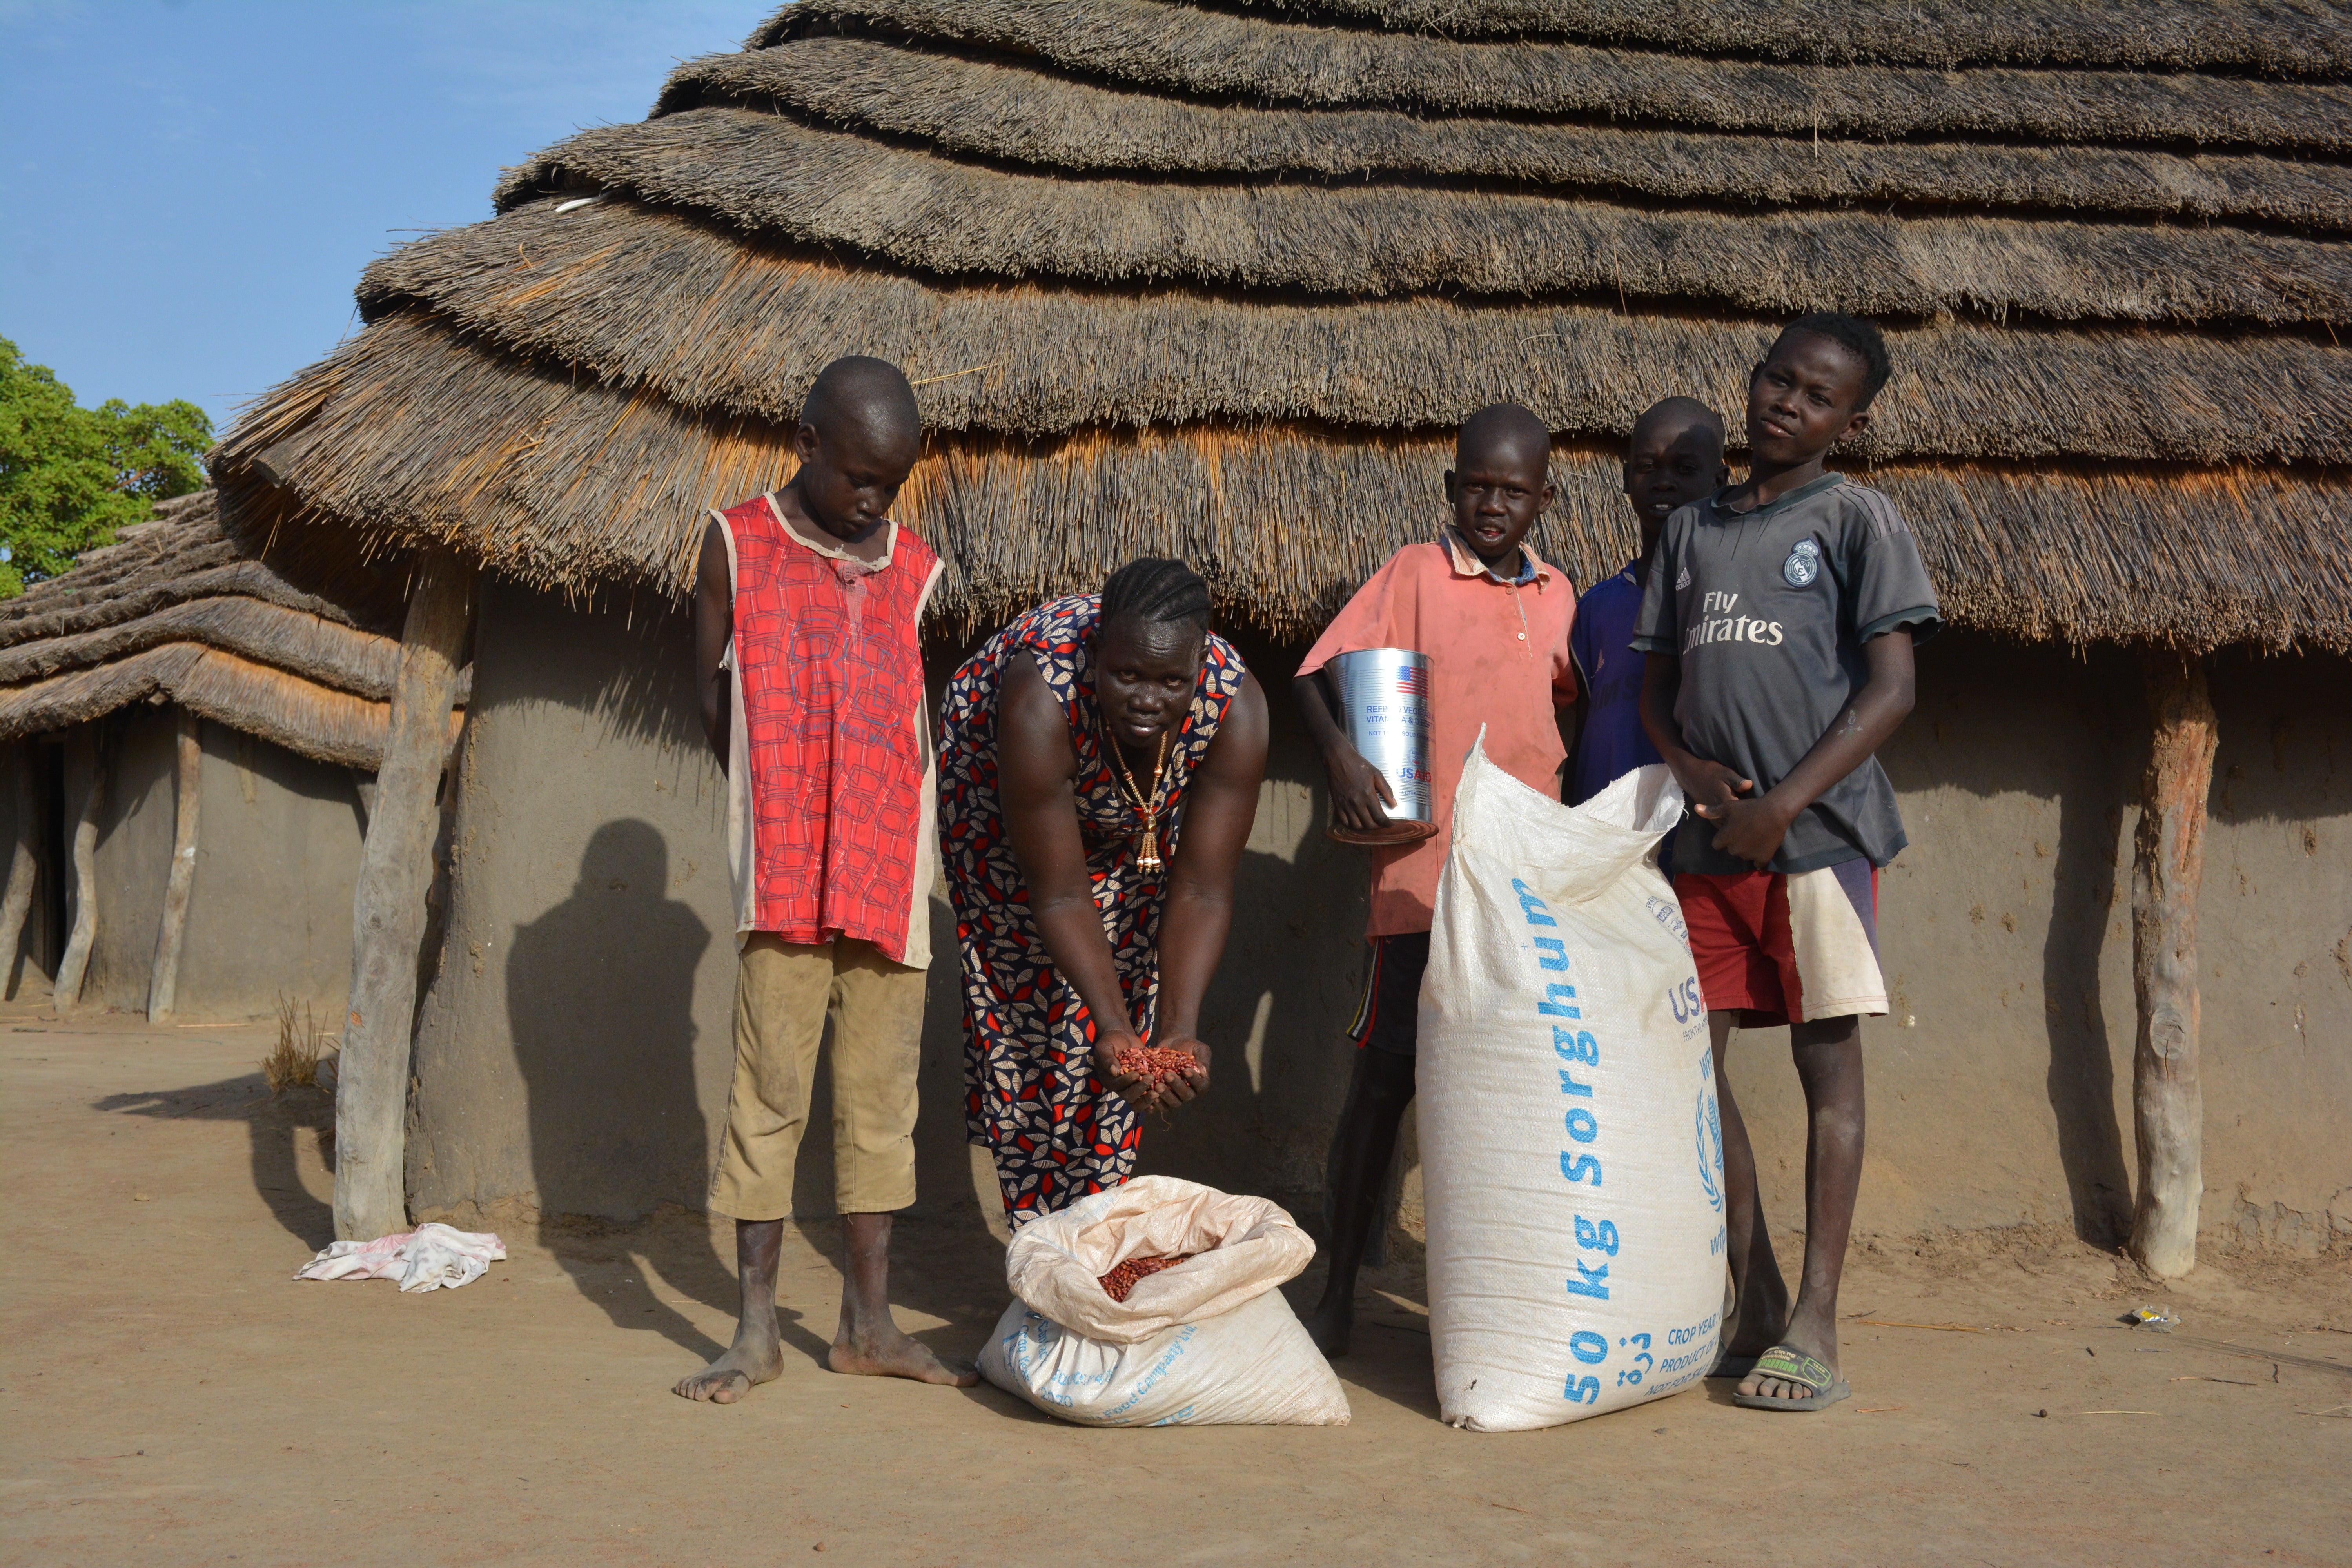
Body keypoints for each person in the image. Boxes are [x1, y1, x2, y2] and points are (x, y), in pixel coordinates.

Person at [1633, 313, 1941, 1412]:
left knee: (1827, 1068)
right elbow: (1655, 688)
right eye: (1778, 381)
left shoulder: (1858, 520)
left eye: (1817, 398)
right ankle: (1752, 1295)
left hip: (1819, 843)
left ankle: (1816, 1319)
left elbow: (1892, 689)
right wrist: (1691, 771)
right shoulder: (1694, 531)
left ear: (1849, 422)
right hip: (1709, 842)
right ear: (1754, 381)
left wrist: (1787, 804)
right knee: (1691, 1068)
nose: (1787, 406)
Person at [676, 355, 976, 1403]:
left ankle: (867, 1325)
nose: (871, 500)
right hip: (786, 880)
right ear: (806, 444)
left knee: (881, 1105)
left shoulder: (919, 567)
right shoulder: (736, 545)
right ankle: (754, 1331)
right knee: (768, 1098)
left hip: (890, 879)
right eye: (856, 476)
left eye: (889, 485)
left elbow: (911, 718)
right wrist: (782, 811)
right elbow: (715, 704)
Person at [1294, 403, 1579, 1357]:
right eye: (1478, 485)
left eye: (1514, 490)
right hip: (1419, 874)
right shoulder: (1416, 571)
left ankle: (1500, 1299)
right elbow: (1314, 671)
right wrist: (1338, 756)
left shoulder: (1559, 597)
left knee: (1511, 1086)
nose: (1493, 503)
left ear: (1544, 497)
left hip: (1521, 888)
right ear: (1451, 485)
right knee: (1383, 1080)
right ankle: (1338, 1288)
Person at [938, 557, 1269, 1223]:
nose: (1149, 699)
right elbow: (1059, 895)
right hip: (1001, 804)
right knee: (1029, 1005)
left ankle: (1093, 1218)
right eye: (1127, 675)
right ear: (1094, 656)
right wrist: (1109, 1024)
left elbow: (1203, 888)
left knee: (1139, 992)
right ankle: (1040, 1238)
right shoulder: (1041, 695)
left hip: (1137, 819)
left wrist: (1174, 1031)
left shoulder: (1235, 707)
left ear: (1200, 665)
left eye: (1173, 680)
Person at [1567, 398, 1727, 813]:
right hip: (1606, 839)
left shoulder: (1730, 601)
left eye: (1685, 469)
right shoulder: (1597, 608)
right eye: (1647, 467)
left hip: (1698, 836)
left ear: (1720, 480)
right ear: (1625, 477)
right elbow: (1586, 730)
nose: (1663, 481)